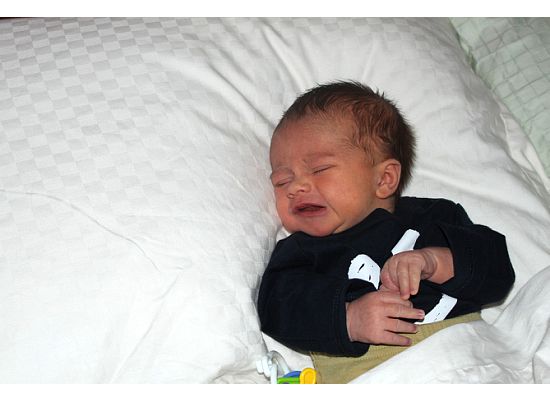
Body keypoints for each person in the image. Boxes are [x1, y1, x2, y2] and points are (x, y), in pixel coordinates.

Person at [257, 81, 515, 383]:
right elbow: (277, 309)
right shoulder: (300, 253)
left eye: (319, 170)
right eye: (283, 181)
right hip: (374, 376)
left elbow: (497, 270)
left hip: (465, 361)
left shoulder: (433, 218)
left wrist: (435, 261)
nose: (297, 187)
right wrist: (349, 318)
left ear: (384, 179)